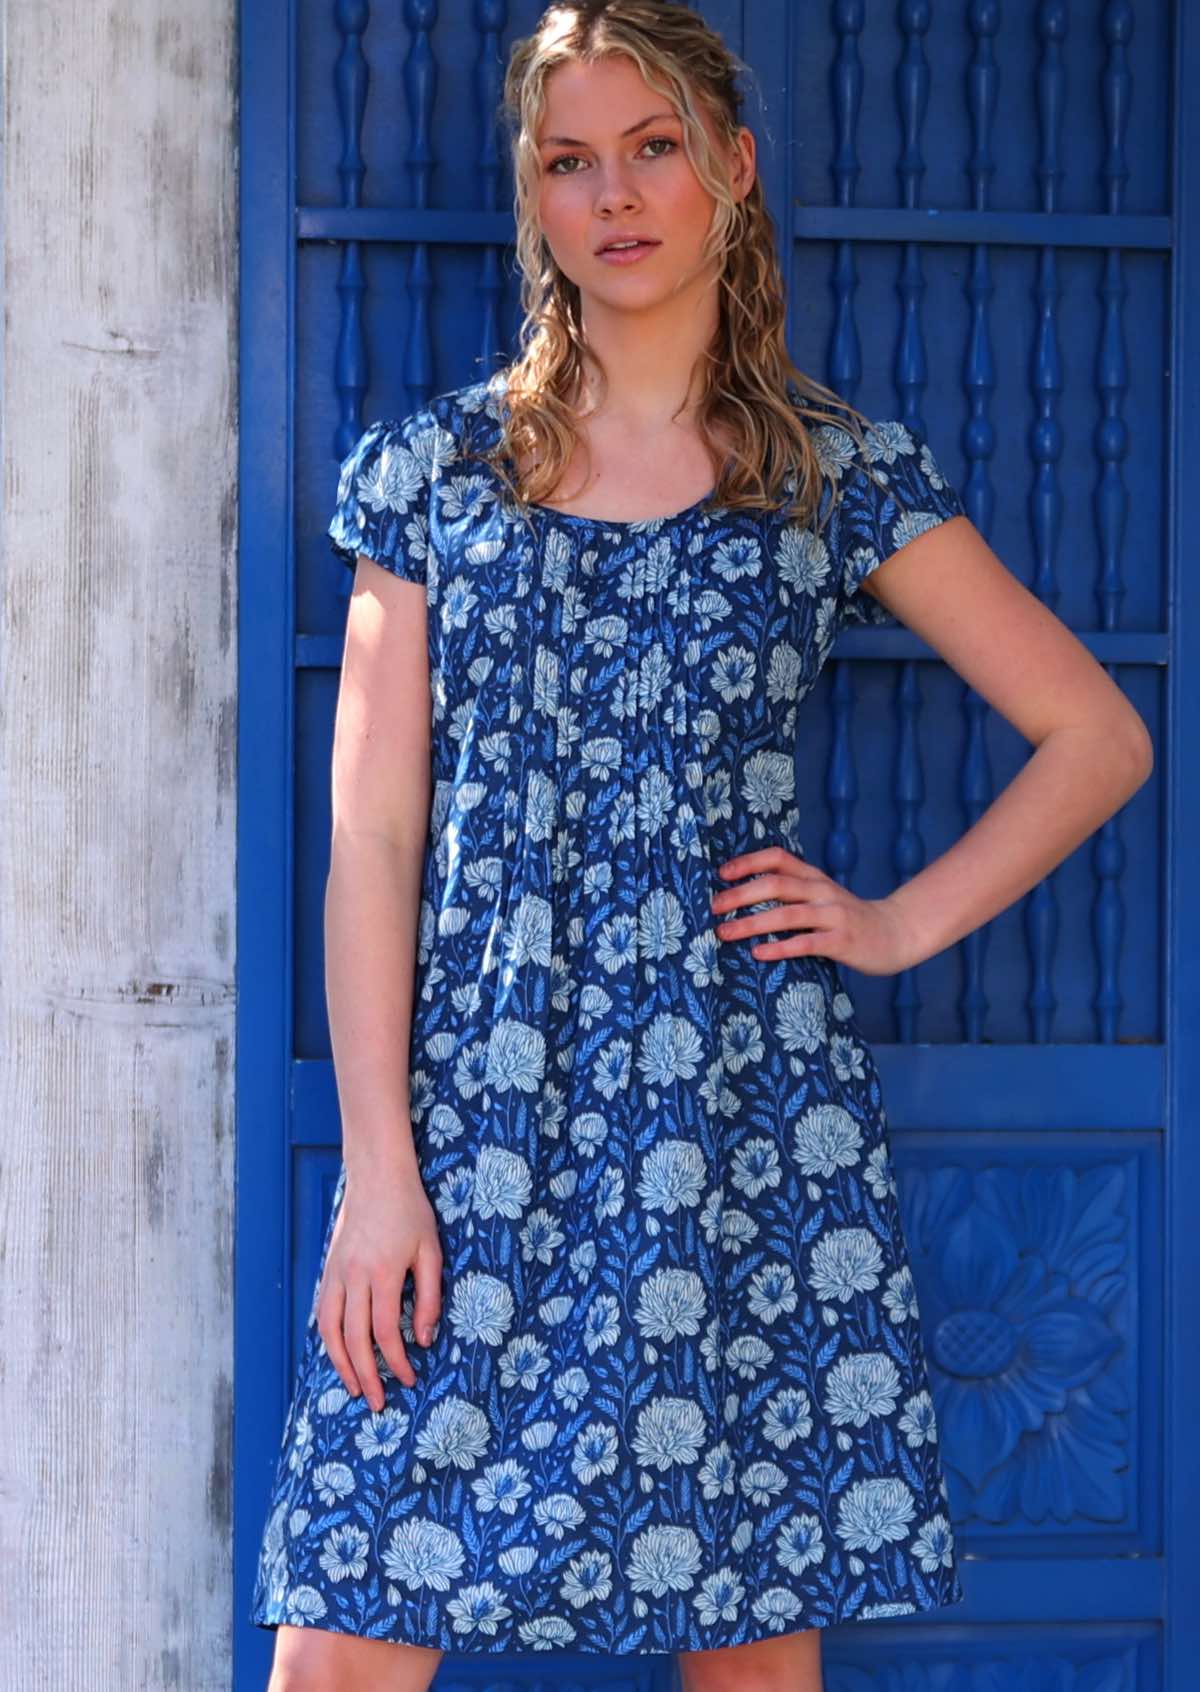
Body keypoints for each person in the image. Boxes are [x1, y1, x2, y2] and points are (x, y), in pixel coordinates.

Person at [249, 3, 1154, 1688]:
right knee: (345, 1635)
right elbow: (371, 836)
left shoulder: (832, 475)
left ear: (732, 170)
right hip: (475, 1125)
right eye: (572, 160)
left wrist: (889, 923)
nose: (617, 195)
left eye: (654, 147)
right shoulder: (439, 473)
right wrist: (382, 1165)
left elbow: (1098, 736)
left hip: (737, 1125)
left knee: (744, 1638)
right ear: (533, 196)